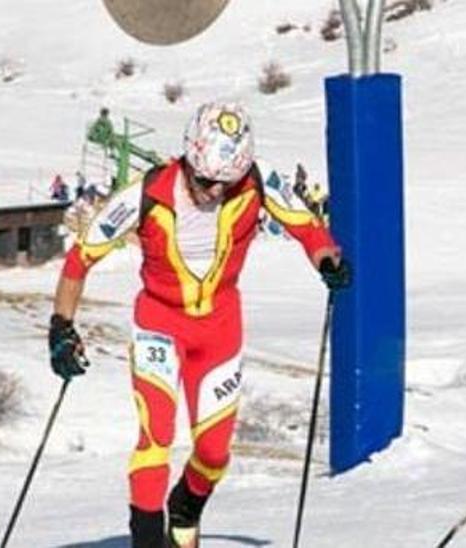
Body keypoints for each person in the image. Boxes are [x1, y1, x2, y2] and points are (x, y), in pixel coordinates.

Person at [48, 101, 350, 548]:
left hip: (220, 332)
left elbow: (307, 228)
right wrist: (61, 327)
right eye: (206, 180)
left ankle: (186, 508)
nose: (213, 192)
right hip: (159, 326)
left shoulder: (257, 180)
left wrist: (327, 260)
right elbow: (80, 260)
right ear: (189, 156)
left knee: (213, 453)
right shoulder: (147, 193)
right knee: (156, 438)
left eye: (225, 183)